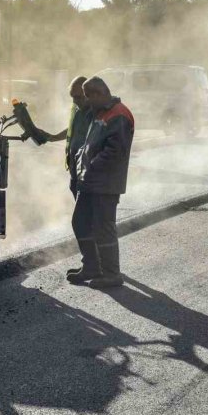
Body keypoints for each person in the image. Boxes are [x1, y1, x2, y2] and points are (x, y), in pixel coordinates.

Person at [67, 76, 135, 289]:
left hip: (105, 184)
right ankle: (91, 267)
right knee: (80, 221)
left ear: (99, 93)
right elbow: (89, 144)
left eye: (87, 96)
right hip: (90, 181)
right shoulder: (100, 112)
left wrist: (91, 165)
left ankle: (112, 274)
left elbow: (115, 152)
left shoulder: (119, 115)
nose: (85, 101)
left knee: (103, 227)